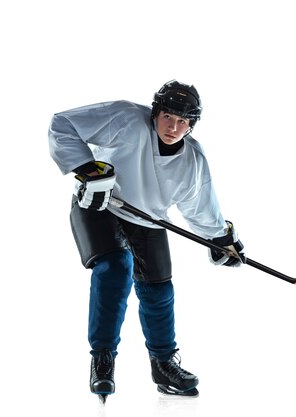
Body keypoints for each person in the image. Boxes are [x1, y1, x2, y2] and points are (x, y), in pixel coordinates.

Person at [48, 80, 245, 400]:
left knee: (159, 288)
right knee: (115, 266)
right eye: (168, 117)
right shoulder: (125, 118)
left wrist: (220, 238)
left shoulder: (192, 160)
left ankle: (164, 364)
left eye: (183, 121)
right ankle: (103, 358)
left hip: (148, 219)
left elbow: (200, 206)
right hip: (100, 204)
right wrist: (88, 170)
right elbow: (63, 123)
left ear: (192, 125)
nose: (174, 127)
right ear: (156, 113)